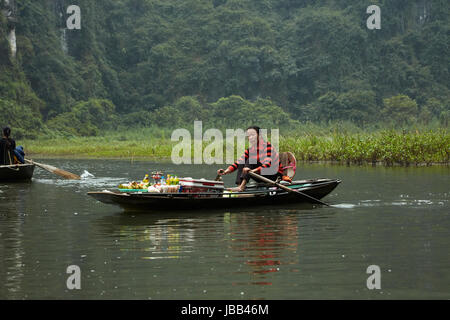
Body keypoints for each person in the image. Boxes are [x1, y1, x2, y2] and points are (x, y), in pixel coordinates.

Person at [217, 126, 284, 192]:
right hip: (261, 175)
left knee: (251, 160)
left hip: (274, 175)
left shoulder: (267, 147)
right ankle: (239, 186)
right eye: (248, 136)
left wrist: (253, 171)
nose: (250, 138)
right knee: (242, 162)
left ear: (259, 135)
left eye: (252, 135)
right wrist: (225, 171)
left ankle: (241, 187)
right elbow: (238, 162)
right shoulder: (250, 150)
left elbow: (268, 164)